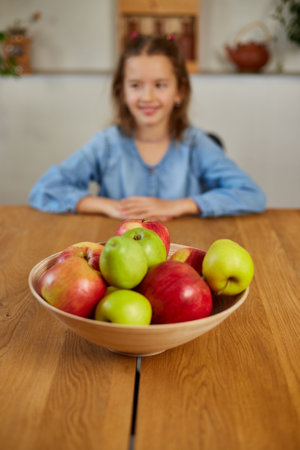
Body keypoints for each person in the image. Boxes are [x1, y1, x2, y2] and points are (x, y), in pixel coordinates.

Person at [29, 34, 266, 220]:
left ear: (179, 91)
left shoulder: (196, 145)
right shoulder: (106, 144)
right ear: (121, 91)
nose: (147, 97)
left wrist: (178, 206)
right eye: (135, 85)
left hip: (180, 257)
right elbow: (44, 190)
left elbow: (251, 195)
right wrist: (108, 206)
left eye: (160, 85)